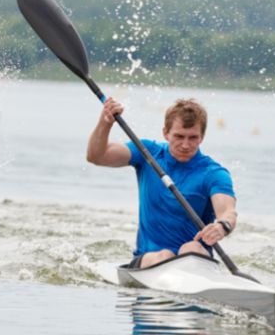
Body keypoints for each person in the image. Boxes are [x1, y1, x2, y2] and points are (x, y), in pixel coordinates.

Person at [86, 97, 237, 269]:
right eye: (179, 136)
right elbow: (96, 156)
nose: (186, 145)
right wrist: (105, 123)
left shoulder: (213, 173)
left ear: (202, 137)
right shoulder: (147, 153)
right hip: (149, 259)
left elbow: (228, 211)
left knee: (191, 248)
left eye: (193, 137)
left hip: (195, 259)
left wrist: (222, 226)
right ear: (166, 133)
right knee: (165, 255)